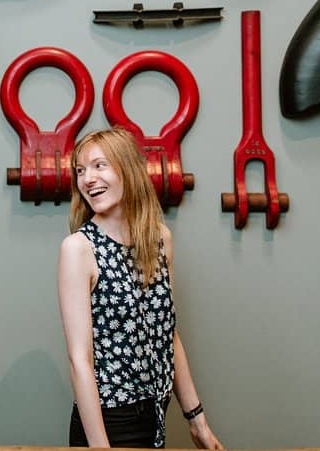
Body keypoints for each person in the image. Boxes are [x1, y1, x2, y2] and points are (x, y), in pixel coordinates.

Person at [57, 128, 223, 449]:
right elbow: (80, 359)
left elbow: (168, 335)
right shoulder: (78, 249)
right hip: (107, 422)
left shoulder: (160, 238)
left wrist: (197, 420)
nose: (88, 178)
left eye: (99, 165)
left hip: (155, 416)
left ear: (128, 170)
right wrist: (100, 447)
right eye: (80, 170)